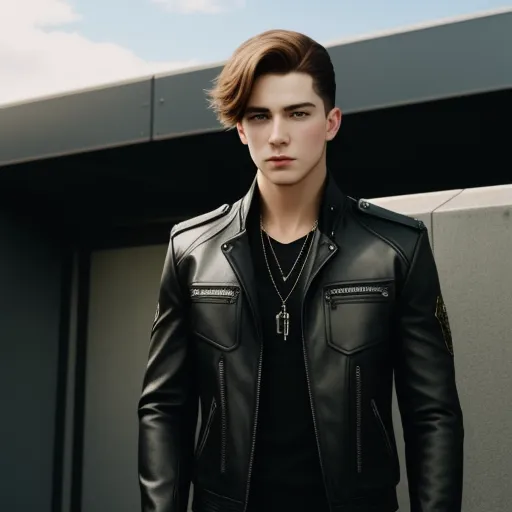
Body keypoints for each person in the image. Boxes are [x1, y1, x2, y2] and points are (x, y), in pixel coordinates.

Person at [137, 29, 464, 512]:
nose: (278, 135)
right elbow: (164, 408)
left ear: (331, 122)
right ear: (242, 129)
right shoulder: (192, 250)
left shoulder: (397, 247)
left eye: (297, 113)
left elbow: (432, 415)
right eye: (259, 116)